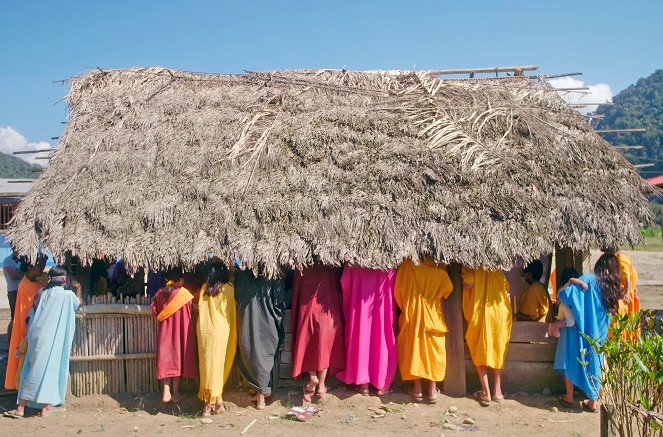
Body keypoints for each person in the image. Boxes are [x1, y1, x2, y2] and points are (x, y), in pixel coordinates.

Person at [3, 266, 82, 418]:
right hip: (50, 338)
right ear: (64, 280)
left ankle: (23, 407)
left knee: (31, 369)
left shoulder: (42, 292)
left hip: (34, 336)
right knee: (48, 370)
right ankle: (43, 408)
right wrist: (78, 288)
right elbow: (78, 305)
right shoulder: (67, 296)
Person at [550, 253, 621, 412]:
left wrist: (570, 282)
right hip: (600, 333)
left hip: (581, 330)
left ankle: (569, 397)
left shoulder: (588, 279)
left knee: (573, 360)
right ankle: (592, 401)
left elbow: (563, 296)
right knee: (595, 361)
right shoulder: (612, 288)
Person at [394, 258, 453, 403]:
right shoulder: (440, 268)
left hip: (412, 314)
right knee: (434, 351)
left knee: (413, 350)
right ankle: (432, 390)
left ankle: (417, 389)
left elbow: (398, 292)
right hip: (434, 316)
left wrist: (408, 308)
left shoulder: (406, 267)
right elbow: (447, 291)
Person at [337, 265, 397, 396]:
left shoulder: (353, 261)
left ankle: (363, 385)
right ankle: (381, 384)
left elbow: (345, 284)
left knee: (361, 338)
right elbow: (394, 287)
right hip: (381, 310)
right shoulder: (388, 262)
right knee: (381, 340)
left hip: (359, 309)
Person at [291, 264, 345, 402]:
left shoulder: (303, 265)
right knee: (324, 348)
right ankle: (321, 385)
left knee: (308, 344)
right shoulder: (331, 265)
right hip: (328, 311)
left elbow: (297, 291)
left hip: (307, 310)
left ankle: (312, 378)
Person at [234, 268, 285, 410]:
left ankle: (259, 392)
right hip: (268, 322)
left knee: (251, 353)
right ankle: (261, 395)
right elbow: (279, 301)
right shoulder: (273, 276)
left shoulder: (242, 277)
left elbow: (236, 296)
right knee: (265, 355)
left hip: (246, 322)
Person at [461, 266, 512, 406]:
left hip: (481, 313)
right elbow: (506, 288)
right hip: (500, 314)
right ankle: (498, 391)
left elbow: (468, 283)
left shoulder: (469, 266)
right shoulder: (498, 268)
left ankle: (485, 392)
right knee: (498, 349)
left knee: (480, 349)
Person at [151, 268, 197, 403]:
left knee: (167, 360)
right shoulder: (184, 294)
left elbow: (154, 309)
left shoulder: (159, 293)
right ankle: (176, 393)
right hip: (180, 334)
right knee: (177, 360)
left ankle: (166, 392)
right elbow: (194, 307)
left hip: (165, 334)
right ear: (181, 280)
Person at [196, 263, 237, 416]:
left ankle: (218, 401)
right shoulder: (229, 289)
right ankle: (208, 406)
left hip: (204, 331)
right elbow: (231, 311)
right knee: (217, 367)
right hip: (220, 332)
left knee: (207, 367)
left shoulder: (204, 288)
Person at [4, 254, 48, 390]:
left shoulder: (34, 281)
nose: (42, 268)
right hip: (27, 327)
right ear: (29, 268)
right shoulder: (26, 286)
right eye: (38, 266)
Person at [3, 249, 24, 345]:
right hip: (13, 291)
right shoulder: (8, 260)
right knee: (14, 316)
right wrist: (26, 274)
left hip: (23, 290)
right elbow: (13, 276)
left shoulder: (24, 259)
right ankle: (9, 342)